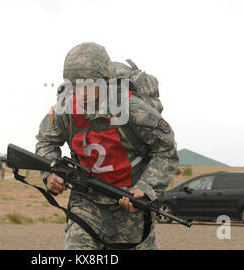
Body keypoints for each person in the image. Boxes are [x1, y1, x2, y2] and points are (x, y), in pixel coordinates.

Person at [35, 42, 179, 250]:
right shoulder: (65, 110)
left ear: (105, 80)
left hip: (132, 202)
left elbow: (166, 151)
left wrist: (146, 188)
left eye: (90, 84)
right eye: (76, 84)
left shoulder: (133, 109)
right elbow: (46, 141)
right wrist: (50, 173)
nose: (82, 92)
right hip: (86, 200)